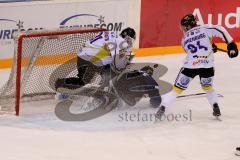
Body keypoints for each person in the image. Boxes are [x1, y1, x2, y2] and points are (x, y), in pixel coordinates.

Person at [155, 14, 238, 119]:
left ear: (188, 26)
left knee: (177, 89)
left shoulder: (184, 39)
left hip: (190, 67)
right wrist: (231, 44)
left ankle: (162, 109)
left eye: (184, 27)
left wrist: (210, 46)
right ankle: (215, 106)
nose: (183, 29)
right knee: (208, 88)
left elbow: (192, 50)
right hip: (207, 66)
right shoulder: (205, 28)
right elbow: (220, 29)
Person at [55, 27, 162, 108]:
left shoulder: (112, 34)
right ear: (129, 38)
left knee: (83, 81)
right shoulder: (122, 42)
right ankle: (99, 100)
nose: (130, 43)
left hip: (83, 55)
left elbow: (111, 55)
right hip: (94, 60)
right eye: (131, 40)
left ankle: (62, 85)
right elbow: (118, 66)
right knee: (111, 78)